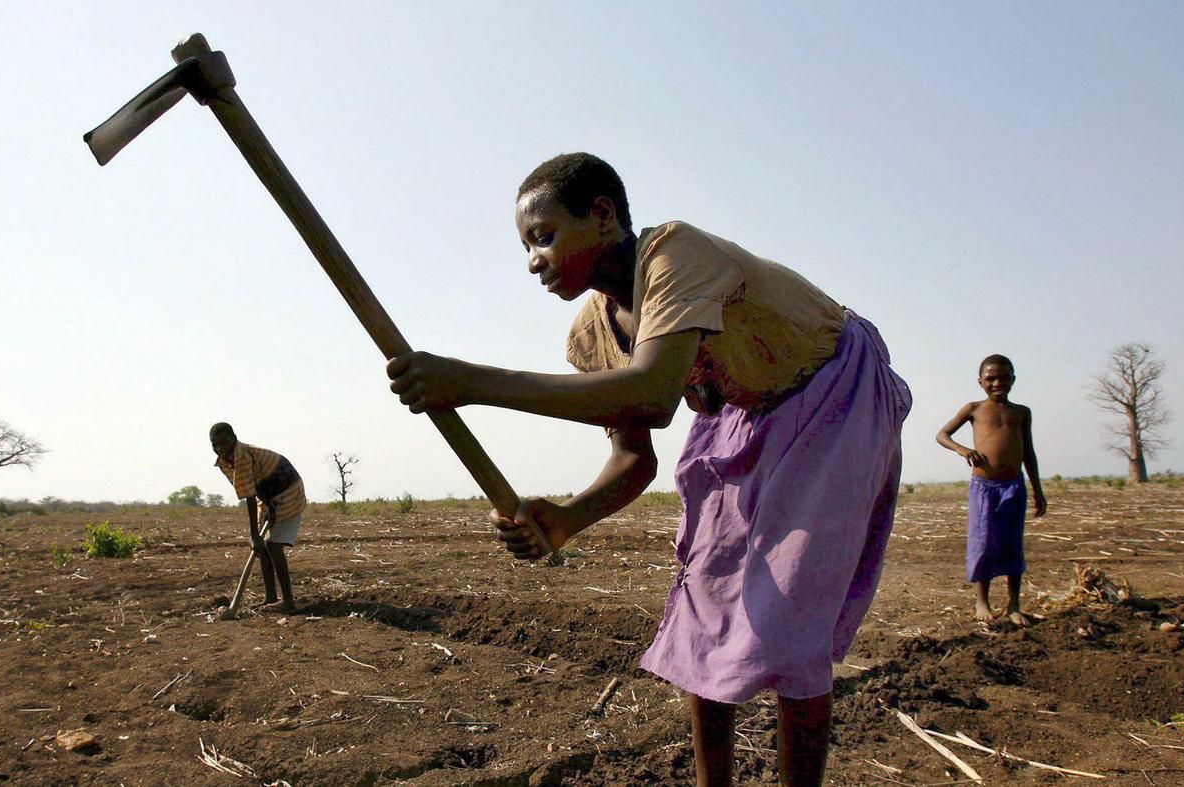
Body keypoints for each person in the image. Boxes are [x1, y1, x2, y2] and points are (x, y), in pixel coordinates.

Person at [385, 153, 912, 786]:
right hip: (739, 409)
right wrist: (568, 519)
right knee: (705, 609)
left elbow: (654, 395)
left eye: (544, 236)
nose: (533, 261)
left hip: (830, 393)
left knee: (790, 615)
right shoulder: (590, 335)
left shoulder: (674, 254)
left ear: (603, 215)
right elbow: (634, 456)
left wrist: (469, 381)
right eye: (527, 246)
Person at [936, 355, 1046, 626]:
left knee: (1012, 545)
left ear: (1013, 379)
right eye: (991, 379)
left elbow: (1028, 453)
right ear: (980, 382)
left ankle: (1013, 604)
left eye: (1005, 377)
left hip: (1014, 487)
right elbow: (942, 435)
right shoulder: (974, 409)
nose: (998, 383)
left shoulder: (1021, 412)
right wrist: (963, 449)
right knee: (983, 543)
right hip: (984, 488)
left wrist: (1038, 490)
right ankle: (982, 601)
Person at [209, 422, 306, 614]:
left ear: (234, 438)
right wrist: (267, 507)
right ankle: (271, 597)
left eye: (224, 443)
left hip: (288, 490)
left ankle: (288, 601)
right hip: (270, 495)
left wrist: (254, 534)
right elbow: (253, 488)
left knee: (273, 545)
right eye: (215, 445)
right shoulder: (225, 461)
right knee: (262, 549)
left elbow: (249, 497)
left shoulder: (241, 456)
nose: (220, 448)